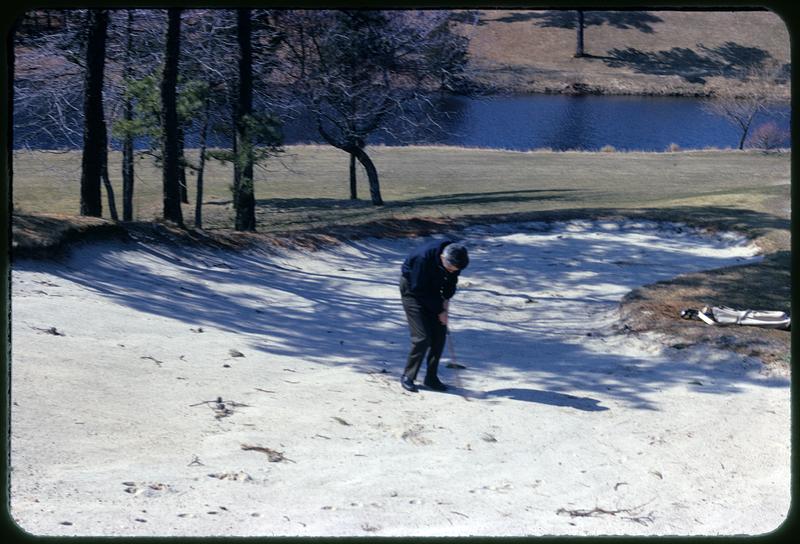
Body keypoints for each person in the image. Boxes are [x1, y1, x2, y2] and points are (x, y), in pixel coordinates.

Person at [399, 238, 469, 393]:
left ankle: (431, 377)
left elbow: (451, 282)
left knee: (439, 334)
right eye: (451, 267)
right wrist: (440, 311)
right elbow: (419, 290)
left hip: (432, 290)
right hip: (413, 291)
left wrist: (446, 303)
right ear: (443, 258)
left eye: (456, 269)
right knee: (422, 337)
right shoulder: (422, 258)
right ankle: (408, 376)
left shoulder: (456, 257)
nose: (453, 270)